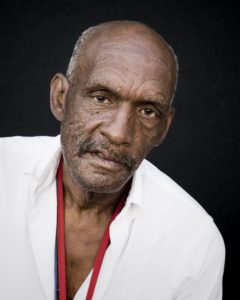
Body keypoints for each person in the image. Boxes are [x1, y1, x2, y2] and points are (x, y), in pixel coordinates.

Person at [0, 20, 225, 300]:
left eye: (147, 111)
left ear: (164, 127)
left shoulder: (193, 242)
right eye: (101, 98)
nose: (119, 133)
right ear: (60, 98)